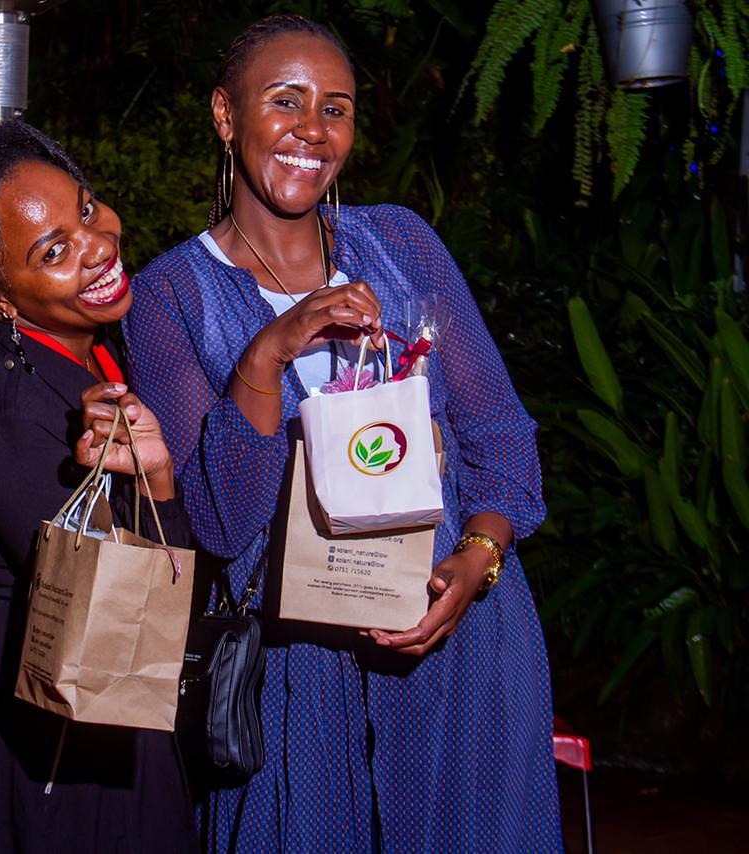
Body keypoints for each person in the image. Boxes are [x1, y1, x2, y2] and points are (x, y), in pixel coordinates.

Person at [122, 14, 562, 852]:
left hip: (458, 644)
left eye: (336, 108)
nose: (313, 131)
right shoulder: (170, 296)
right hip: (299, 680)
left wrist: (478, 558)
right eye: (285, 101)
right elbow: (220, 521)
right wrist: (270, 351)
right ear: (225, 115)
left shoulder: (400, 243)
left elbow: (499, 433)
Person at [0, 121, 197, 853]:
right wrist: (160, 482)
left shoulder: (83, 344)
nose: (97, 244)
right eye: (53, 251)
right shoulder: (8, 413)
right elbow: (123, 619)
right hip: (25, 722)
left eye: (85, 209)